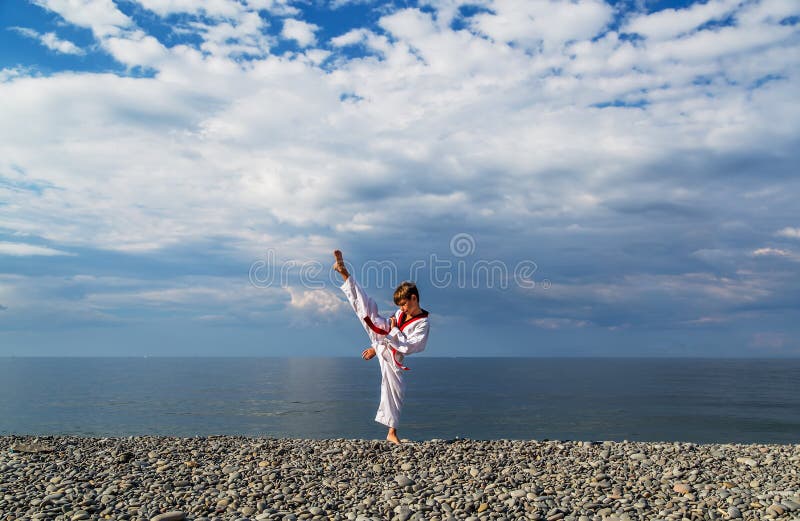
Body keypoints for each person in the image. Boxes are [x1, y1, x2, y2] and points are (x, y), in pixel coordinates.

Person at [333, 250, 430, 444]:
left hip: (395, 353)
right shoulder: (401, 314)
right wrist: (375, 347)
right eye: (400, 306)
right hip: (384, 338)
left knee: (395, 389)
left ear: (414, 298)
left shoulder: (423, 323)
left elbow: (410, 346)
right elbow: (389, 329)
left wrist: (391, 334)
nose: (402, 309)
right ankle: (344, 273)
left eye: (404, 305)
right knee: (367, 310)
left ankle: (391, 432)